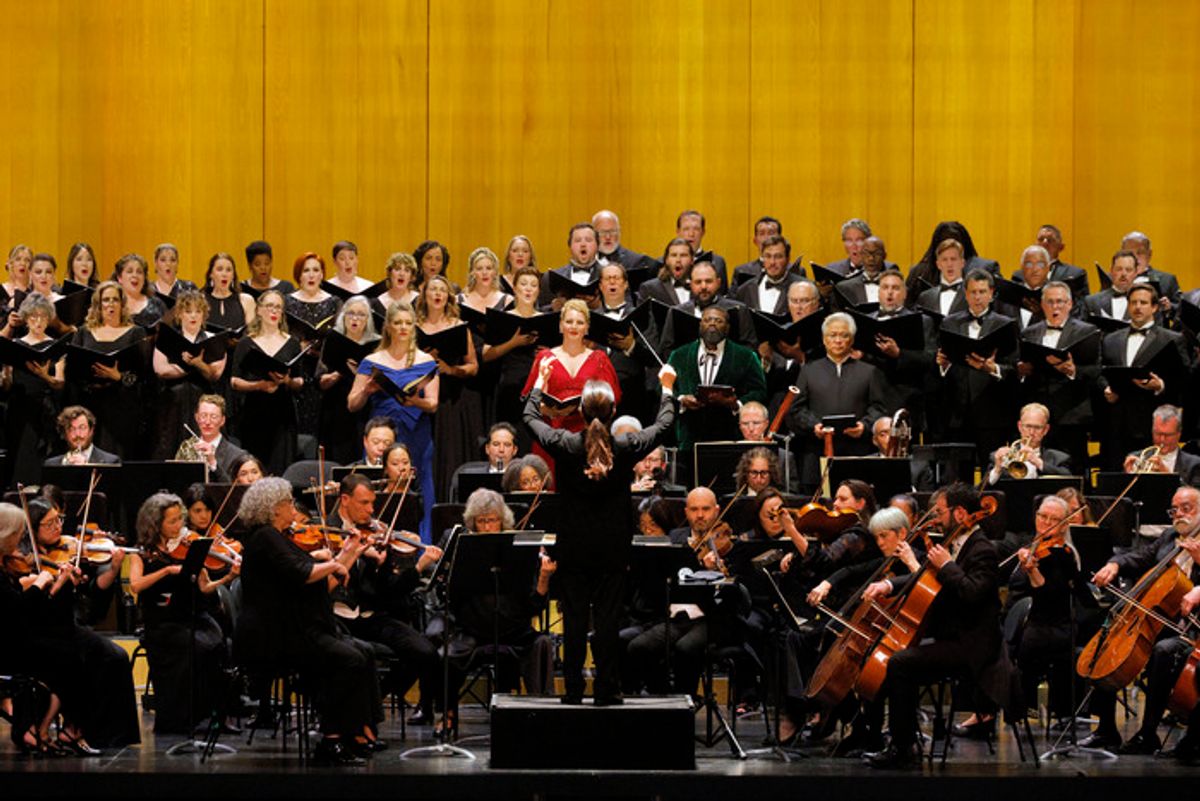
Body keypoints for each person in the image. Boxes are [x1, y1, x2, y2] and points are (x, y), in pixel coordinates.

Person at [525, 362, 676, 704]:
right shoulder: (626, 446)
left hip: (574, 546)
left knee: (575, 619)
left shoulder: (564, 443)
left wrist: (540, 382)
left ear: (579, 410)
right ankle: (607, 689)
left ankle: (574, 691)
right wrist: (666, 386)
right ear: (613, 411)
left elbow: (530, 418)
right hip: (612, 547)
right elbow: (664, 424)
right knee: (608, 620)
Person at [233, 477, 382, 764]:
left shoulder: (280, 538)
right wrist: (333, 563)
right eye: (288, 502)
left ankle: (356, 732)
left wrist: (349, 553)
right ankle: (331, 740)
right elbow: (303, 573)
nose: (293, 507)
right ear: (274, 508)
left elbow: (322, 587)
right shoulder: (264, 537)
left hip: (295, 626)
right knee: (347, 659)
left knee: (363, 651)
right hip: (272, 636)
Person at [863, 484, 1008, 768]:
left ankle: (903, 749)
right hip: (951, 636)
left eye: (941, 512)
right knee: (889, 652)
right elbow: (929, 579)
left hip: (972, 645)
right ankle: (881, 737)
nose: (937, 519)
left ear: (961, 513)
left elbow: (972, 593)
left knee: (900, 663)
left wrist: (946, 566)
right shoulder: (955, 542)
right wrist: (889, 583)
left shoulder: (983, 550)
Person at [1085, 485, 1200, 753]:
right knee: (1107, 641)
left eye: (1187, 508)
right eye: (1175, 509)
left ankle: (1148, 733)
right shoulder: (1171, 536)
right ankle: (1105, 730)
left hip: (1188, 629)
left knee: (1163, 651)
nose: (1179, 515)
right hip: (1155, 619)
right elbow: (1140, 557)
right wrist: (1115, 564)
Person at [324, 473, 444, 726]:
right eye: (364, 503)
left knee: (426, 652)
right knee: (354, 657)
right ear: (344, 500)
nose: (371, 510)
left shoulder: (377, 535)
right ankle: (352, 713)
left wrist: (416, 566)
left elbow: (391, 589)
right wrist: (351, 551)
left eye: (372, 504)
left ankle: (375, 699)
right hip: (335, 617)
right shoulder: (325, 530)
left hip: (371, 616)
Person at [25, 498, 141, 749]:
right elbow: (32, 608)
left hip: (67, 628)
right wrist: (58, 583)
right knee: (85, 658)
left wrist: (113, 568)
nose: (57, 527)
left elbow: (94, 591)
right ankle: (74, 726)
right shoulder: (24, 560)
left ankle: (111, 734)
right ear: (32, 530)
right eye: (49, 524)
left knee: (117, 656)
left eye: (59, 520)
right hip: (41, 632)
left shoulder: (69, 549)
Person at [128, 492, 236, 734]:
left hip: (190, 616)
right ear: (155, 524)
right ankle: (186, 717)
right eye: (172, 521)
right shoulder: (141, 553)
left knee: (221, 645)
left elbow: (205, 587)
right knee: (199, 647)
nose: (180, 526)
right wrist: (166, 572)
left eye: (180, 519)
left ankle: (215, 715)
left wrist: (228, 577)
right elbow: (135, 585)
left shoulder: (189, 548)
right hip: (161, 623)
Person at [348, 301, 439, 541]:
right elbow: (352, 403)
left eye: (408, 323)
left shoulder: (426, 361)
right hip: (382, 434)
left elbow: (433, 403)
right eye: (397, 323)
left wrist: (414, 402)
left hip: (416, 432)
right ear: (388, 326)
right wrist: (366, 391)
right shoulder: (372, 360)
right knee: (380, 487)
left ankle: (421, 545)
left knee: (420, 486)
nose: (403, 328)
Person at [788, 312, 890, 487]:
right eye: (832, 335)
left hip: (856, 450)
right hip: (817, 450)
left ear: (852, 339)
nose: (838, 340)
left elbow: (878, 408)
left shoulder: (869, 371)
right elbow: (796, 409)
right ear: (824, 339)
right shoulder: (809, 371)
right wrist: (814, 426)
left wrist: (864, 426)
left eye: (844, 335)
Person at [1008, 495, 1082, 729]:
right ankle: (1010, 706)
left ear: (1064, 525)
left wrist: (1032, 571)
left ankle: (1024, 706)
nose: (1046, 522)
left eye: (1054, 519)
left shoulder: (1065, 554)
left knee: (1027, 642)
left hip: (1054, 623)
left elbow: (1048, 593)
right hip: (1029, 617)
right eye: (1042, 516)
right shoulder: (1033, 544)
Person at [520, 299, 620, 472]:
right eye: (569, 321)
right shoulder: (545, 357)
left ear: (587, 328)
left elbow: (613, 400)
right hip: (552, 434)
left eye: (580, 322)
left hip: (588, 436)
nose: (574, 326)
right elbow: (530, 398)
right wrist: (549, 411)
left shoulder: (599, 359)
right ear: (560, 326)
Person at [1098, 283, 1189, 469]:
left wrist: (1161, 385)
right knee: (1115, 477)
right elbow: (1099, 372)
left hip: (1151, 424)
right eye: (1133, 303)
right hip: (1116, 424)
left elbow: (1184, 378)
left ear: (1154, 307)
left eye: (1143, 302)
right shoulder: (1110, 339)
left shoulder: (1172, 338)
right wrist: (1105, 387)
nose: (1137, 307)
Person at [934, 269, 1019, 462]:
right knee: (959, 473)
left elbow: (1014, 367)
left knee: (992, 470)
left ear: (991, 294)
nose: (977, 297)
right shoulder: (949, 323)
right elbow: (941, 367)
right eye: (973, 292)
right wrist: (943, 364)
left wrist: (992, 369)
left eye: (982, 292)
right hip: (957, 414)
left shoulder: (1005, 325)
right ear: (965, 294)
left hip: (992, 413)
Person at [1016, 280, 1100, 472]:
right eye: (1050, 302)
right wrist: (1021, 370)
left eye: (1060, 302)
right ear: (1043, 305)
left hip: (1072, 413)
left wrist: (1073, 371)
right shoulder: (1028, 333)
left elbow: (1095, 371)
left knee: (1075, 467)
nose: (1056, 307)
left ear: (1070, 304)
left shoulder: (1087, 331)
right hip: (1038, 415)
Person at [667, 304, 767, 452]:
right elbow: (664, 388)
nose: (712, 323)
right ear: (700, 325)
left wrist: (736, 404)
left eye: (718, 321)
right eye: (707, 320)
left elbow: (759, 391)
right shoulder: (679, 355)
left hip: (730, 437)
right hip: (689, 438)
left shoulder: (745, 356)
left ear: (727, 327)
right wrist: (681, 400)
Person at [418, 274, 482, 503]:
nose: (437, 294)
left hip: (452, 399)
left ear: (448, 297)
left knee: (450, 455)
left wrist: (450, 369)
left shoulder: (458, 327)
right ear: (424, 295)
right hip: (421, 399)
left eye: (442, 290)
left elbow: (473, 367)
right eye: (432, 289)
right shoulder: (414, 326)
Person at [68, 280, 148, 458]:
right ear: (98, 304)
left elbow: (143, 374)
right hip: (90, 405)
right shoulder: (83, 332)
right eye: (105, 300)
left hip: (122, 407)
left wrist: (118, 376)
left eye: (115, 300)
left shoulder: (136, 333)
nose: (110, 304)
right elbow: (73, 370)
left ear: (122, 304)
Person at [230, 290, 303, 476]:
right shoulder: (246, 343)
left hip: (283, 414)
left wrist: (286, 380)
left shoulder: (292, 343)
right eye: (269, 306)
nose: (274, 311)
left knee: (281, 468)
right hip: (254, 414)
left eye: (278, 307)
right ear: (259, 310)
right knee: (255, 468)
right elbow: (234, 380)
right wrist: (259, 386)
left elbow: (300, 381)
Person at [151, 289, 228, 459]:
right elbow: (160, 369)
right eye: (188, 311)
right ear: (179, 314)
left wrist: (198, 363)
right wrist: (188, 367)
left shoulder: (212, 338)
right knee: (169, 448)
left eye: (198, 311)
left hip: (202, 402)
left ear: (204, 314)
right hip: (172, 404)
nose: (193, 316)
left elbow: (215, 373)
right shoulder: (168, 338)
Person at [2, 293, 66, 483]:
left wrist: (44, 375)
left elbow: (60, 383)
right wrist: (5, 373)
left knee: (41, 463)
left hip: (45, 412)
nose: (38, 321)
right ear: (26, 319)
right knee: (20, 461)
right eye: (33, 316)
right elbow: (7, 385)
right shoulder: (14, 345)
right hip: (19, 410)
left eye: (43, 316)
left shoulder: (57, 347)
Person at [484, 266, 544, 454]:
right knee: (508, 442)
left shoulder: (546, 320)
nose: (528, 289)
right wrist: (514, 343)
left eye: (533, 285)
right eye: (523, 284)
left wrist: (546, 353)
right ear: (515, 288)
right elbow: (486, 354)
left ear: (538, 291)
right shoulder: (503, 318)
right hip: (509, 389)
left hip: (538, 390)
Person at [318, 295, 380, 464]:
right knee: (336, 457)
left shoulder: (375, 343)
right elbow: (320, 377)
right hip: (335, 406)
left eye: (361, 315)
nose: (355, 319)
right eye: (350, 313)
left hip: (365, 408)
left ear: (368, 319)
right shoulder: (333, 339)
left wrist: (360, 372)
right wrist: (336, 374)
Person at [286, 252, 341, 441]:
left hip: (322, 369)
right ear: (298, 275)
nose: (311, 275)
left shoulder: (334, 302)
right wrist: (297, 346)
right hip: (297, 370)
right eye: (306, 270)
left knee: (322, 429)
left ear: (322, 275)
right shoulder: (287, 302)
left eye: (316, 270)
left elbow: (340, 336)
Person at [984, 403, 1073, 485]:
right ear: (1020, 426)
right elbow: (980, 491)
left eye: (1037, 427)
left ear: (1046, 430)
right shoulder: (998, 457)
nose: (1031, 432)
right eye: (1028, 426)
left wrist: (1038, 463)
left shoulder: (1059, 458)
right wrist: (997, 469)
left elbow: (1069, 481)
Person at [174, 394, 247, 482]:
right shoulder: (186, 447)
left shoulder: (236, 455)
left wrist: (213, 463)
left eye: (213, 417)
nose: (208, 422)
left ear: (222, 421)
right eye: (203, 416)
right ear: (197, 418)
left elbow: (233, 491)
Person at [1122, 404, 1200, 484]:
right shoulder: (1137, 457)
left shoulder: (1195, 464)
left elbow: (1195, 494)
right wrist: (1127, 478)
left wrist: (1168, 476)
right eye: (1158, 434)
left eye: (1168, 435)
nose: (1162, 439)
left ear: (1179, 434)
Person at [735, 235, 800, 315]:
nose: (772, 262)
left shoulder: (802, 288)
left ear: (788, 259)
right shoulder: (744, 290)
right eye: (768, 256)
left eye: (778, 257)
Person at [544, 222, 602, 308]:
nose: (583, 244)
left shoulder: (609, 276)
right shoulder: (551, 277)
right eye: (577, 241)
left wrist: (601, 307)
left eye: (588, 240)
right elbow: (540, 309)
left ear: (597, 246)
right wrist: (554, 307)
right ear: (570, 247)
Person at [45, 405, 120, 466]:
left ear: (91, 430)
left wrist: (87, 466)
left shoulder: (111, 462)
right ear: (64, 434)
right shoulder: (52, 464)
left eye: (82, 428)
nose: (77, 434)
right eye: (71, 429)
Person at [204, 252, 257, 334]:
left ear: (233, 276)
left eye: (228, 270)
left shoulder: (246, 300)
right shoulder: (201, 300)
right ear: (211, 274)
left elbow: (252, 334)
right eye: (219, 269)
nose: (224, 274)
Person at [675, 209, 728, 292]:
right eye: (686, 229)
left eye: (696, 229)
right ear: (678, 232)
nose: (691, 234)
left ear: (703, 232)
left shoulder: (717, 262)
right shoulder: (663, 263)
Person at [113, 253, 167, 329]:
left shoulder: (157, 305)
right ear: (120, 278)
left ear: (144, 278)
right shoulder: (111, 305)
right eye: (129, 271)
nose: (135, 275)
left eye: (139, 272)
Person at [1083, 249, 1139, 321]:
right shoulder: (1092, 301)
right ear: (1111, 271)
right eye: (1119, 269)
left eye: (1128, 270)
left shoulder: (1144, 302)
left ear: (1136, 273)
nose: (1123, 274)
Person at [637, 238, 694, 308]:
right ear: (666, 260)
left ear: (692, 260)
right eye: (674, 255)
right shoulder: (649, 289)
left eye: (683, 255)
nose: (678, 260)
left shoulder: (701, 286)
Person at [730, 216, 785, 289]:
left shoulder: (795, 271)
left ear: (780, 239)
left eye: (771, 233)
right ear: (755, 241)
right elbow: (733, 299)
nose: (767, 238)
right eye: (762, 233)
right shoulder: (742, 271)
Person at [459, 246, 512, 315]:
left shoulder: (507, 301)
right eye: (479, 268)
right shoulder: (458, 300)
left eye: (489, 268)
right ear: (472, 272)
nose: (484, 272)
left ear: (495, 272)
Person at [374, 252, 420, 317]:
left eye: (407, 270)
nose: (402, 274)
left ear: (411, 277)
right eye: (397, 269)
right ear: (390, 273)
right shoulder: (378, 302)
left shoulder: (419, 301)